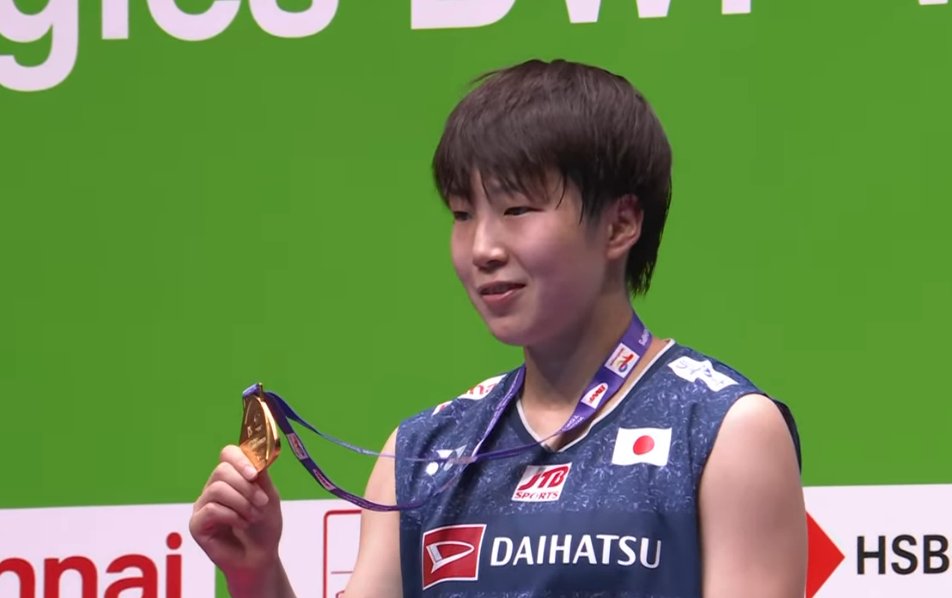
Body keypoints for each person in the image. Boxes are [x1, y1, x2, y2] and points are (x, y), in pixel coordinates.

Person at [189, 58, 807, 597]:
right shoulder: (421, 452)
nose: (482, 246)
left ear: (620, 225)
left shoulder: (726, 430)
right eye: (462, 214)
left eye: (516, 210)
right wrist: (256, 574)